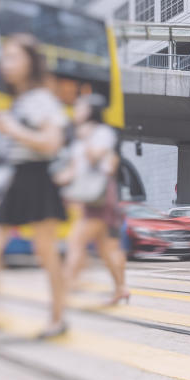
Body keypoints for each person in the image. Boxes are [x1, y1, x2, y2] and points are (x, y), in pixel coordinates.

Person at [0, 34, 69, 338]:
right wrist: (3, 128)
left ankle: (57, 318)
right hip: (17, 178)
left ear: (31, 62)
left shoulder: (41, 99)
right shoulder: (20, 101)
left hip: (37, 178)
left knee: (46, 253)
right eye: (4, 57)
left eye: (13, 57)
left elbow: (52, 143)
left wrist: (12, 129)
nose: (5, 63)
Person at [56, 94, 128, 305]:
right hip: (87, 197)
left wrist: (87, 138)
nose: (75, 111)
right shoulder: (79, 138)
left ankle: (64, 292)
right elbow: (74, 170)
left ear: (90, 111)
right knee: (106, 248)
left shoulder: (103, 132)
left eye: (79, 107)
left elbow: (95, 158)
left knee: (75, 241)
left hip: (100, 196)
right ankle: (121, 288)